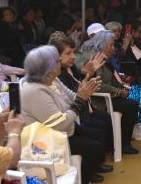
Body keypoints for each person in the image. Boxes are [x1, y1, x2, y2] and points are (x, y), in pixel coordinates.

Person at [20, 46, 105, 184]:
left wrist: (82, 93)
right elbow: (59, 124)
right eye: (57, 61)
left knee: (97, 137)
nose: (60, 63)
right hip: (47, 142)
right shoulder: (35, 91)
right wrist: (80, 100)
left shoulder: (51, 80)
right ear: (48, 69)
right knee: (95, 149)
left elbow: (71, 98)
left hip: (62, 133)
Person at [76, 30, 141, 152]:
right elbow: (98, 84)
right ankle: (124, 144)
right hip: (99, 100)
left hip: (107, 95)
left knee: (133, 95)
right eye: (111, 45)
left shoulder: (103, 57)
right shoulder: (94, 59)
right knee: (131, 105)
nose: (113, 48)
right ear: (101, 45)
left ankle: (124, 139)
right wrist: (118, 91)